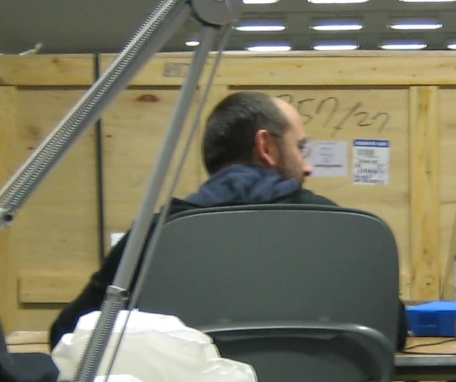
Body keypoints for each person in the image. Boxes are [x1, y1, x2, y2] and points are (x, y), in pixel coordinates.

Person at [49, 90, 334, 342]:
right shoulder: (343, 230)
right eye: (300, 148)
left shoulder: (153, 238)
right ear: (266, 147)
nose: (307, 167)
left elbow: (67, 335)